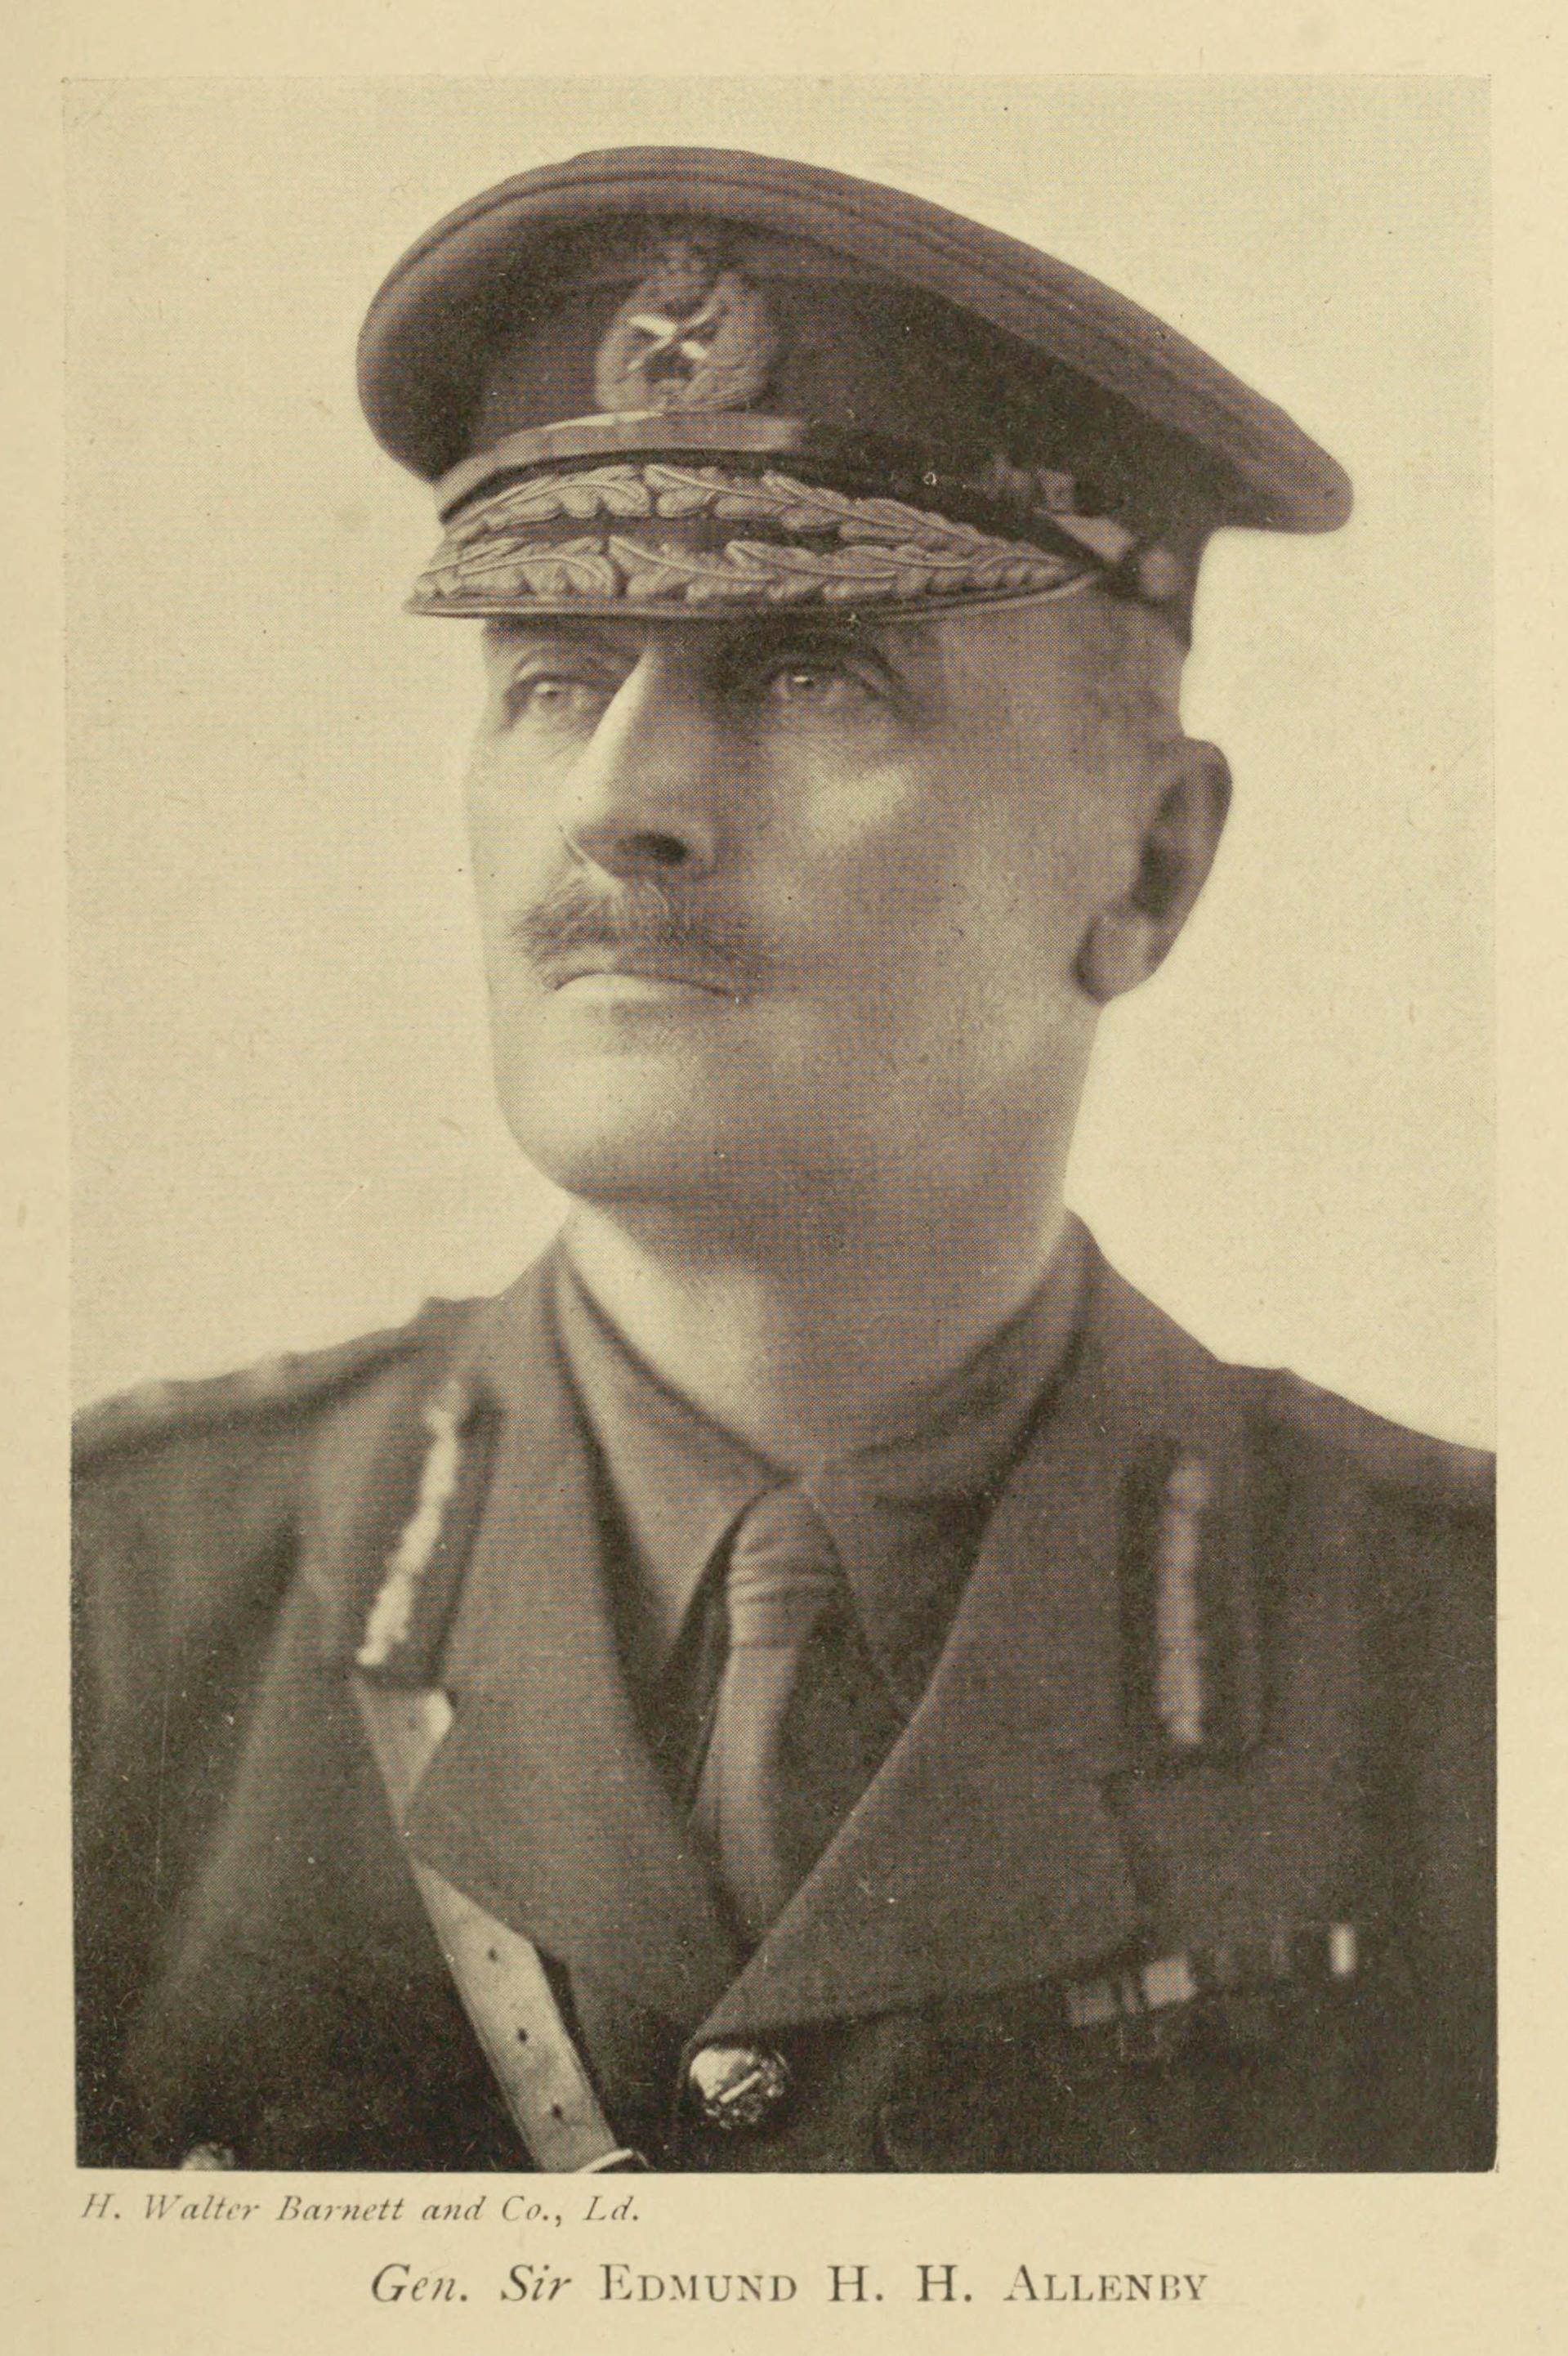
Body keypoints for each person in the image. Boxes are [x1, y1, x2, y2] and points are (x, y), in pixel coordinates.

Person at [73, 145, 1494, 2174]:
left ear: (1150, 862)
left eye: (813, 670)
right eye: (552, 678)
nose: (618, 797)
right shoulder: (103, 1613)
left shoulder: (1472, 1663)